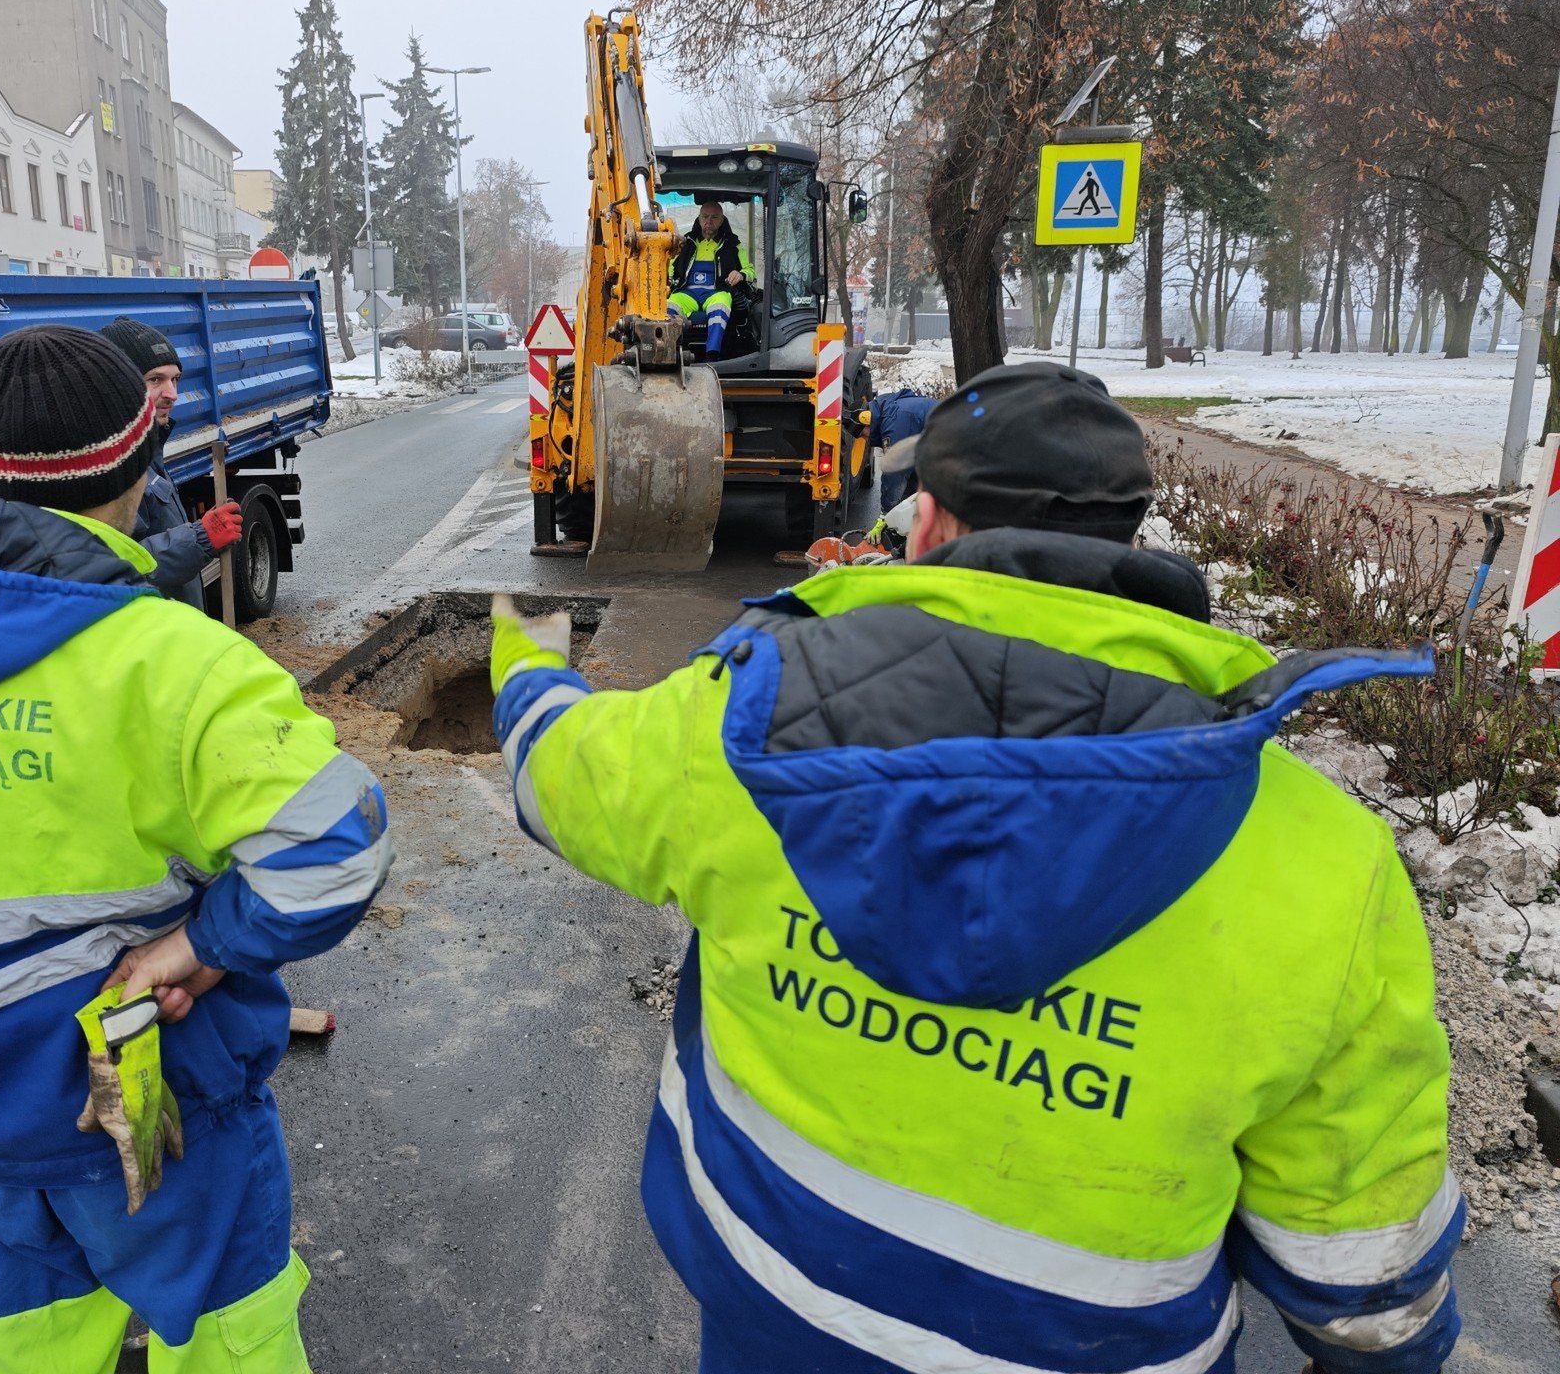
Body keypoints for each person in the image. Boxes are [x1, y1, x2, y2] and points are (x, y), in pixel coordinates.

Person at [487, 360, 1461, 1374]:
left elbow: (564, 781)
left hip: (778, 1321)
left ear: (933, 521)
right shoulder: (1322, 856)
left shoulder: (741, 726)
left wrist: (526, 665)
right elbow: (1362, 1267)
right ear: (1127, 536)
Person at [0, 324, 391, 1372]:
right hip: (153, 1112)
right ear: (142, 455)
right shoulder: (174, 662)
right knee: (227, 1342)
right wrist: (199, 947)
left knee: (30, 1351)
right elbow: (335, 849)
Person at [100, 315, 240, 610]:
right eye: (155, 380)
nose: (173, 394)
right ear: (117, 386)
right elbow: (117, 568)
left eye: (175, 379)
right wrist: (200, 538)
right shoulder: (111, 469)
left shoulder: (146, 453)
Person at [667, 199, 757, 358]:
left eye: (714, 217)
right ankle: (669, 352)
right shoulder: (685, 242)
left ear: (722, 220)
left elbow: (750, 271)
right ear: (699, 218)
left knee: (721, 305)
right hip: (687, 293)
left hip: (717, 291)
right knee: (669, 306)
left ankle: (713, 353)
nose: (708, 221)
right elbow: (669, 268)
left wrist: (741, 274)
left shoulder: (732, 244)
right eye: (705, 217)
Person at [866, 385, 938, 513]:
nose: (865, 438)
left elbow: (894, 472)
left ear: (867, 422)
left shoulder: (895, 419)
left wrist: (887, 513)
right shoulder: (890, 409)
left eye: (863, 434)